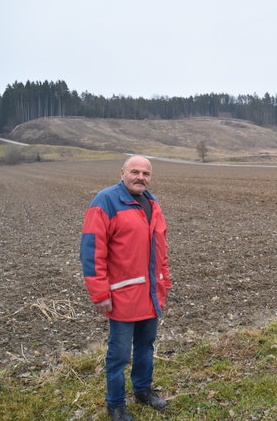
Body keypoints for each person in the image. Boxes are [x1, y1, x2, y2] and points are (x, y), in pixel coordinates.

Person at [80, 155, 171, 421]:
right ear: (122, 173)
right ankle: (116, 404)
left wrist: (163, 282)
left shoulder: (152, 203)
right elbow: (91, 251)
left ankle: (143, 391)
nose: (140, 177)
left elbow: (160, 251)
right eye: (135, 171)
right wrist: (99, 293)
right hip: (121, 296)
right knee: (118, 354)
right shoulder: (105, 201)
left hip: (150, 294)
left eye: (146, 173)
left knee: (146, 347)